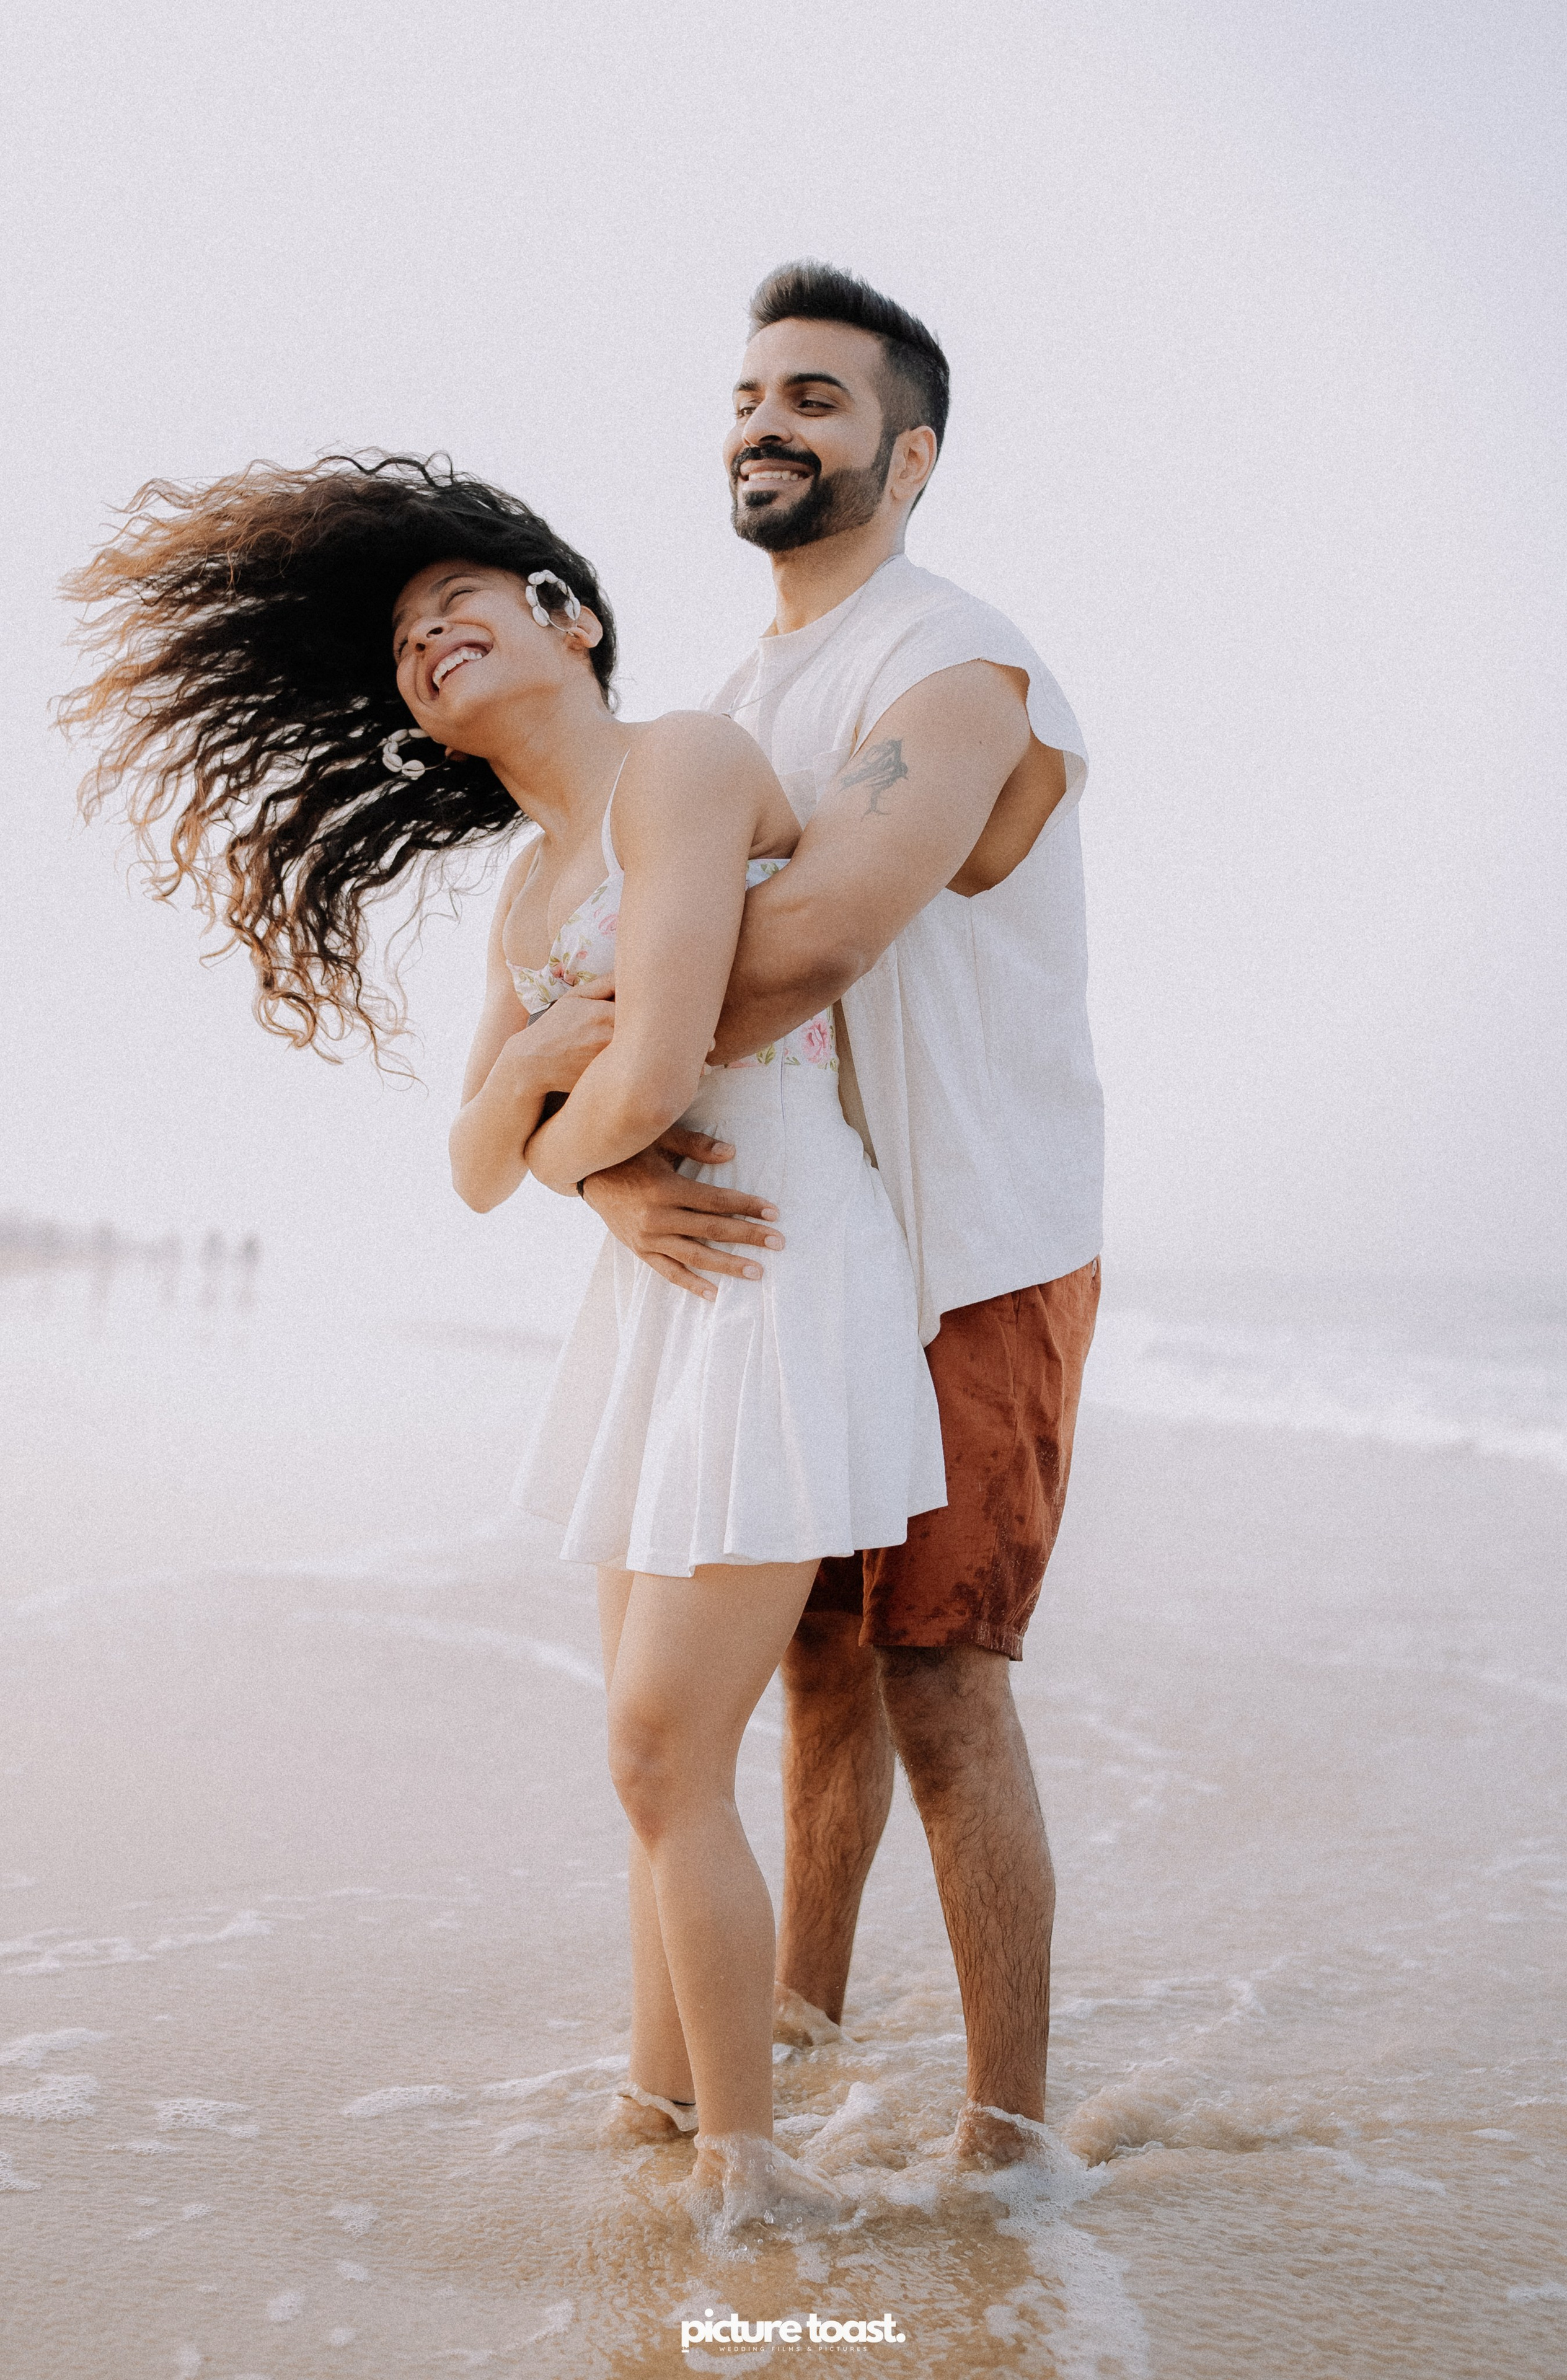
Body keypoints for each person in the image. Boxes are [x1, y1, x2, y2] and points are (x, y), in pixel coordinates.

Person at [60, 454, 945, 2224]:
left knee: (652, 1746)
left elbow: (670, 1059)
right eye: (403, 640)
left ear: (576, 623)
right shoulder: (532, 896)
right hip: (661, 1279)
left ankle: (745, 2170)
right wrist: (567, 1128)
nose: (433, 633)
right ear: (423, 726)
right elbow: (474, 1166)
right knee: (657, 1759)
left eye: (470, 598)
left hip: (771, 1261)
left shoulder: (683, 761)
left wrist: (560, 1115)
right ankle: (654, 2102)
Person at [577, 263, 1104, 2167]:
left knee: (940, 1680)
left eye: (814, 396)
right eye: (747, 396)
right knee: (806, 1669)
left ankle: (1008, 2148)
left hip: (975, 1236)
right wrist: (607, 1152)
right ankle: (790, 2020)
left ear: (911, 450)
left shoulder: (958, 664)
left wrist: (583, 1058)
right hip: (802, 1250)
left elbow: (810, 940)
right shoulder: (727, 701)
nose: (765, 424)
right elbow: (626, 950)